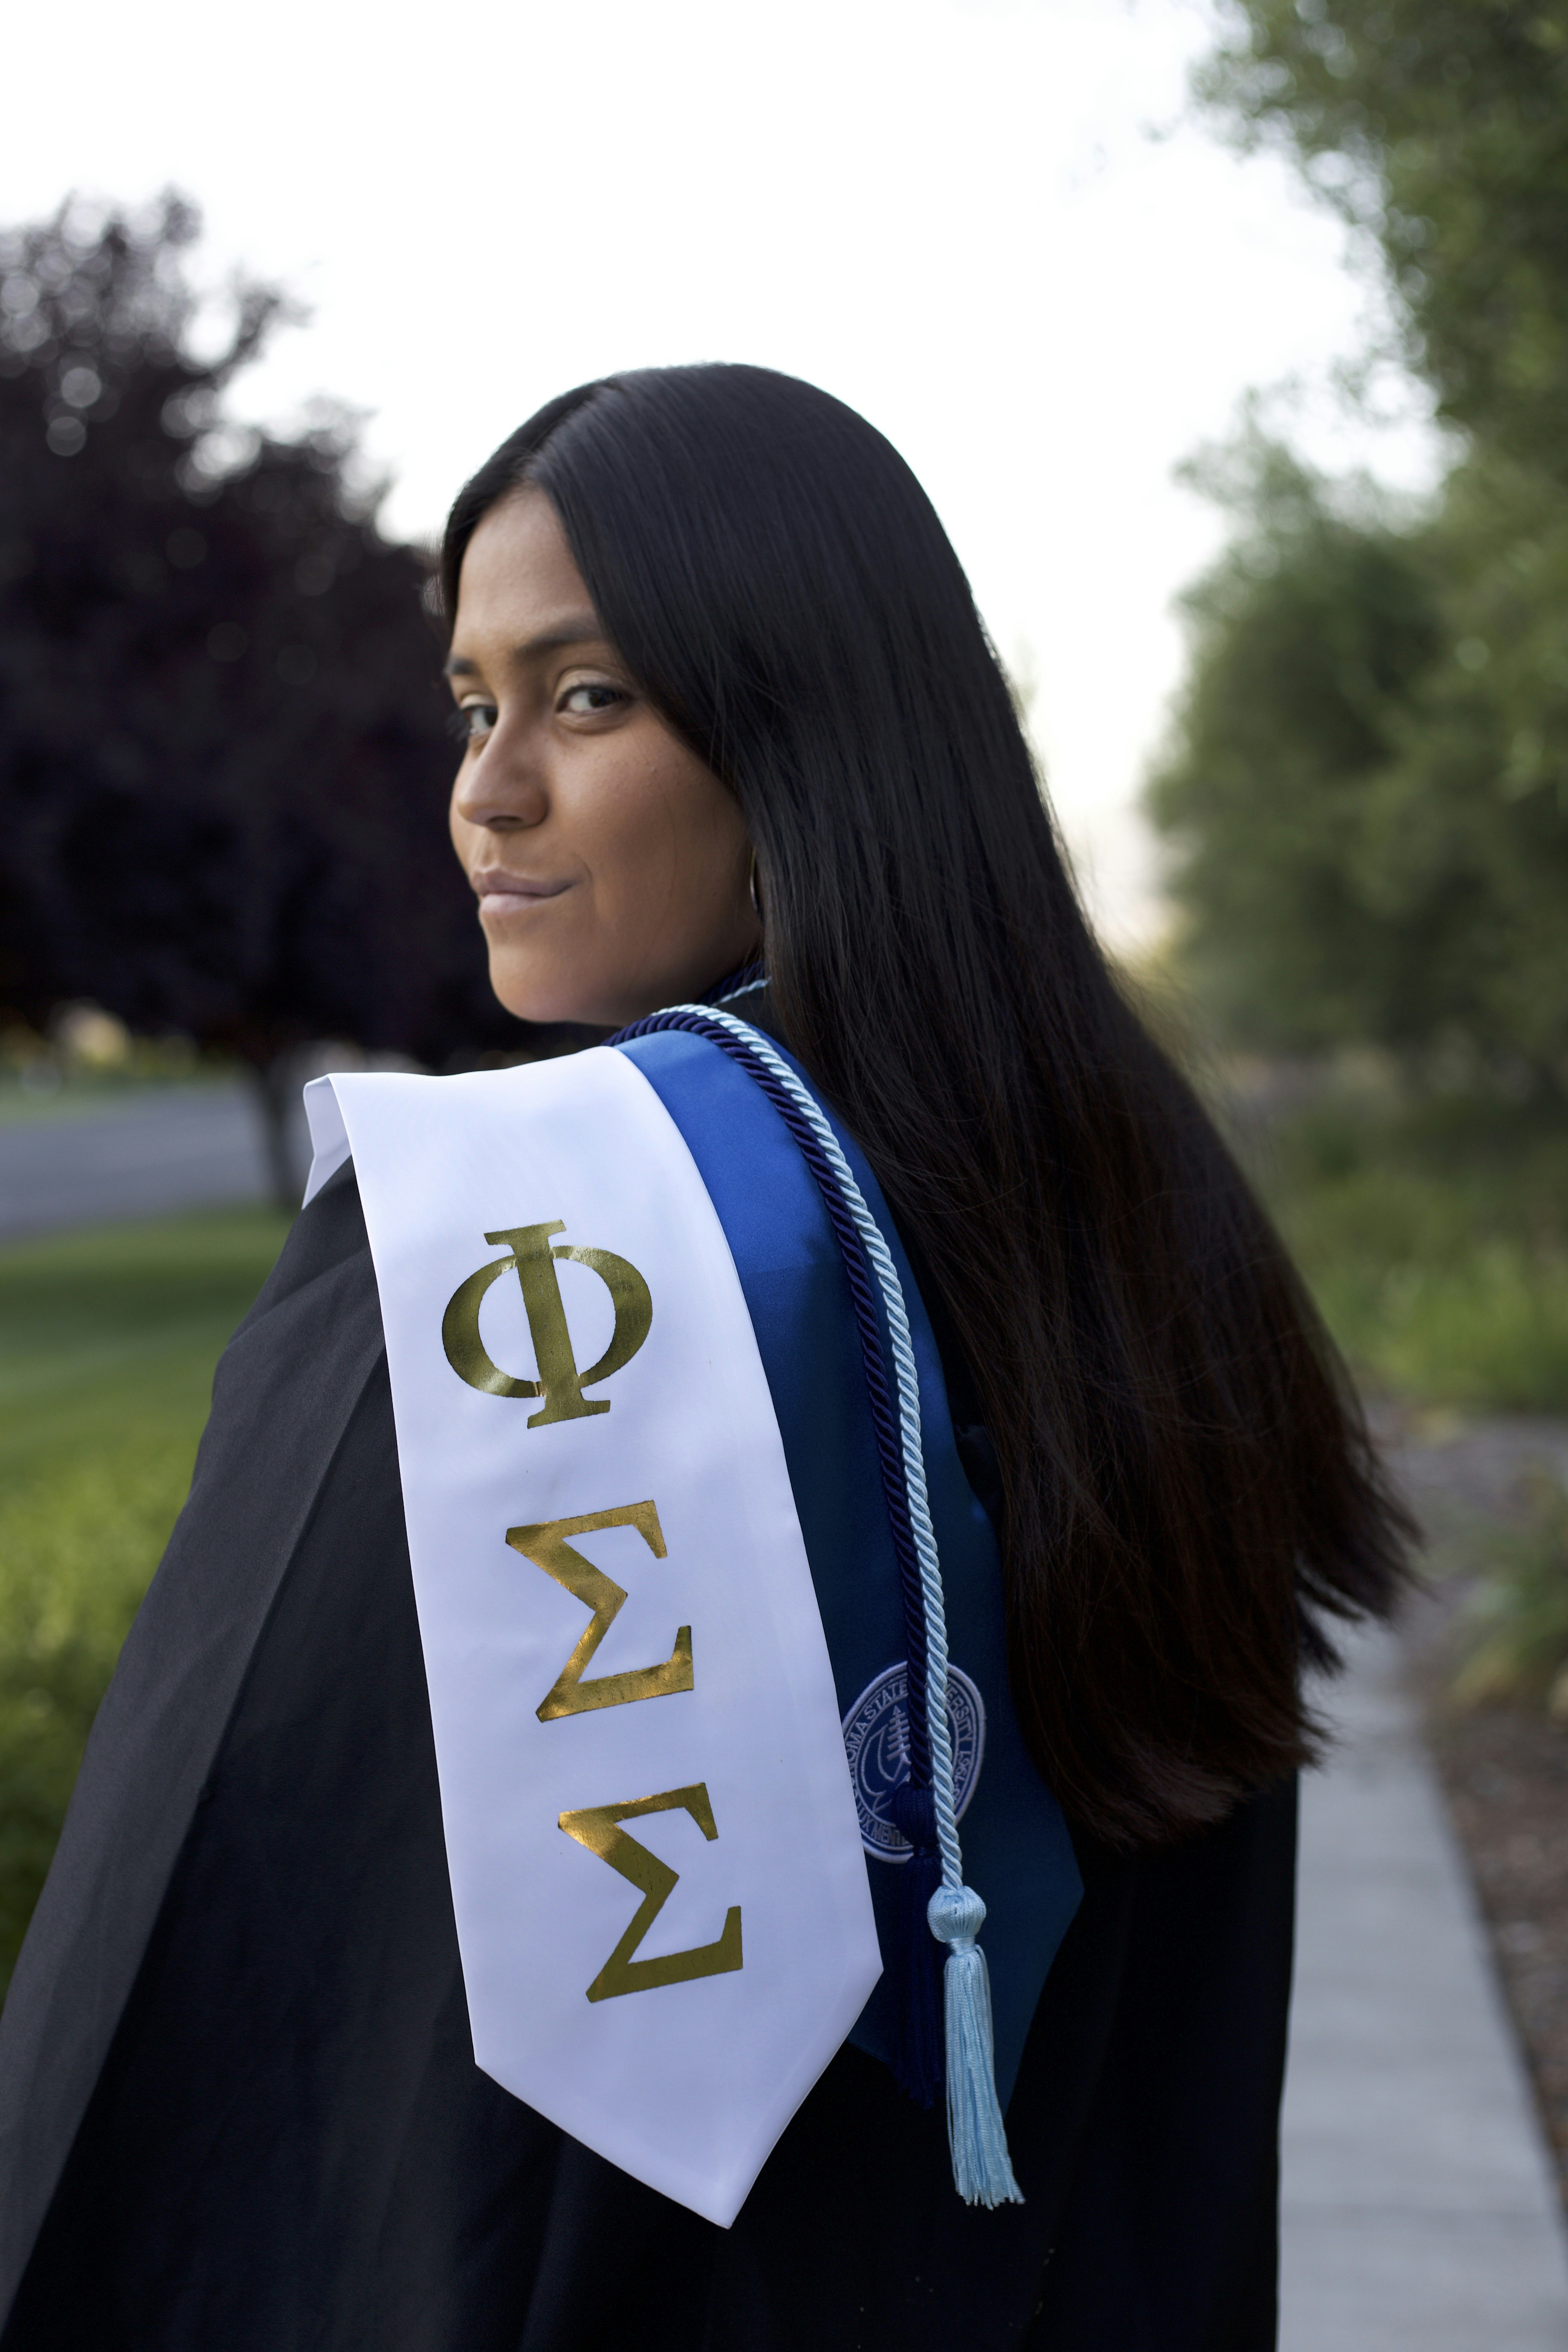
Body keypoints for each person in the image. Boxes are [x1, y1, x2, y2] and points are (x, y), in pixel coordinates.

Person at [0, 364, 1410, 2351]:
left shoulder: (510, 1251)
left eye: (588, 700)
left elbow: (229, 2023)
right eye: (474, 708)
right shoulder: (1139, 1224)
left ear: (802, 737)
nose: (490, 788)